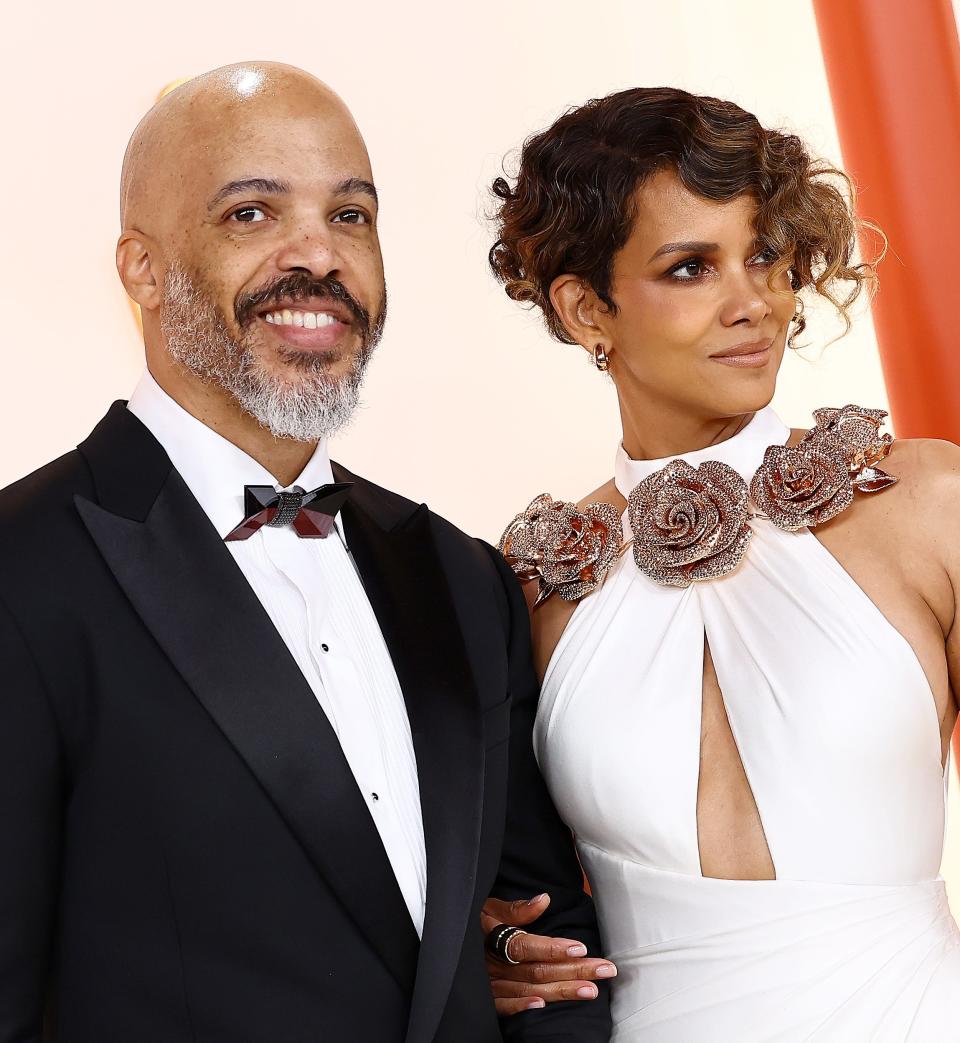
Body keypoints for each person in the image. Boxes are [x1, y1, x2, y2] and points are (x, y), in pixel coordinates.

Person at [0, 62, 613, 1042]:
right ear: (142, 269)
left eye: (352, 216)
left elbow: (552, 945)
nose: (317, 256)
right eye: (252, 213)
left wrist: (490, 955)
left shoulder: (462, 577)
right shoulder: (21, 573)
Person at [490, 86, 960, 1040]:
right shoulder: (535, 578)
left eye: (766, 256)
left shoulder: (925, 503)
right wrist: (494, 952)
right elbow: (503, 888)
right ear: (587, 309)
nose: (755, 304)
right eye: (691, 267)